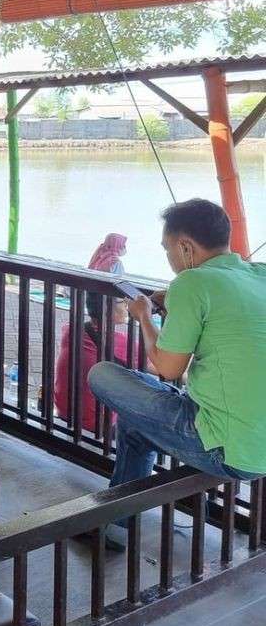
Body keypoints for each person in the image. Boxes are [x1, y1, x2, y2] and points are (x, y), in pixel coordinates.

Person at [88, 199, 266, 545]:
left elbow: (167, 368)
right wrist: (172, 296)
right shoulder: (259, 274)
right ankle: (114, 527)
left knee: (102, 374)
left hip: (226, 448)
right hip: (259, 442)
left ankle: (115, 527)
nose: (169, 260)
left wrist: (143, 315)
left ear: (186, 247)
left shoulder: (193, 284)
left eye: (168, 249)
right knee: (134, 421)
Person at [54, 292, 137, 434]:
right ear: (107, 308)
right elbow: (166, 369)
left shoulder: (70, 329)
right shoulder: (119, 342)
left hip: (64, 413)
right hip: (97, 425)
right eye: (122, 301)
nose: (127, 305)